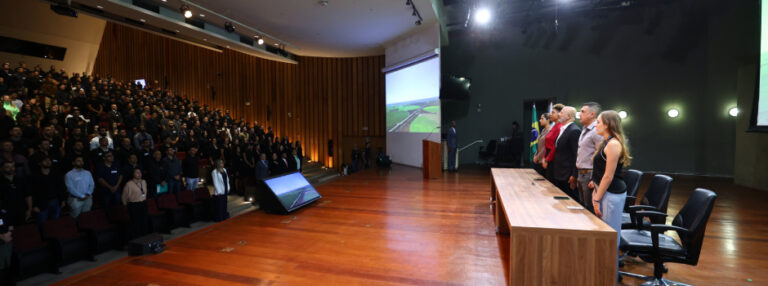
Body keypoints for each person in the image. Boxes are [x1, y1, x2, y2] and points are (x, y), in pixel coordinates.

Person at [589, 110, 631, 281]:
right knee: (604, 236)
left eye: (598, 122)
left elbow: (608, 176)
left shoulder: (613, 144)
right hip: (604, 192)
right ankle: (603, 273)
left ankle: (610, 278)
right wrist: (595, 187)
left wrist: (597, 198)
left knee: (610, 238)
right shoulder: (606, 141)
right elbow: (600, 172)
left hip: (611, 194)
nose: (596, 125)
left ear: (607, 124)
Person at [575, 102, 603, 213]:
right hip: (581, 173)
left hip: (589, 174)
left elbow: (600, 154)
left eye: (582, 112)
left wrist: (594, 177)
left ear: (592, 114)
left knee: (590, 209)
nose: (579, 114)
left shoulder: (596, 130)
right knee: (583, 206)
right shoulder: (584, 129)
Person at [552, 106, 581, 201]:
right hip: (560, 172)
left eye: (562, 112)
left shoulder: (574, 130)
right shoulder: (563, 129)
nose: (559, 114)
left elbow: (576, 155)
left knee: (569, 201)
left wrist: (574, 175)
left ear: (569, 116)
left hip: (567, 175)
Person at [29, 157, 66, 225]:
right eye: (45, 160)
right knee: (42, 224)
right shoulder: (34, 176)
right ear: (39, 163)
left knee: (56, 222)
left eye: (49, 160)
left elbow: (61, 187)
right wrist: (34, 205)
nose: (48, 162)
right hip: (41, 203)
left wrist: (63, 199)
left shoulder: (56, 173)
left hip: (56, 200)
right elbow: (32, 192)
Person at [0, 161, 30, 226]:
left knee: (22, 230)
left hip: (21, 210)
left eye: (12, 166)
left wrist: (29, 209)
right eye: (7, 167)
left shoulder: (20, 180)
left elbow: (27, 195)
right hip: (7, 213)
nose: (11, 168)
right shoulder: (1, 182)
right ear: (1, 168)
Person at [122, 168, 148, 238]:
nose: (139, 174)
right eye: (137, 172)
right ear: (133, 174)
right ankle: (138, 238)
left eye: (140, 172)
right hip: (134, 205)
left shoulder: (144, 181)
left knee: (144, 221)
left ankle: (144, 236)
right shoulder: (129, 184)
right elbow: (124, 197)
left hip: (143, 203)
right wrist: (126, 205)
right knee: (136, 222)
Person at [542, 104, 564, 181]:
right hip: (547, 154)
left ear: (559, 114)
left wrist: (547, 159)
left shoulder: (560, 127)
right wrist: (544, 157)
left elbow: (555, 146)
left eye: (553, 112)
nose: (550, 114)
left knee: (551, 182)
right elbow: (547, 144)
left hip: (552, 158)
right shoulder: (554, 126)